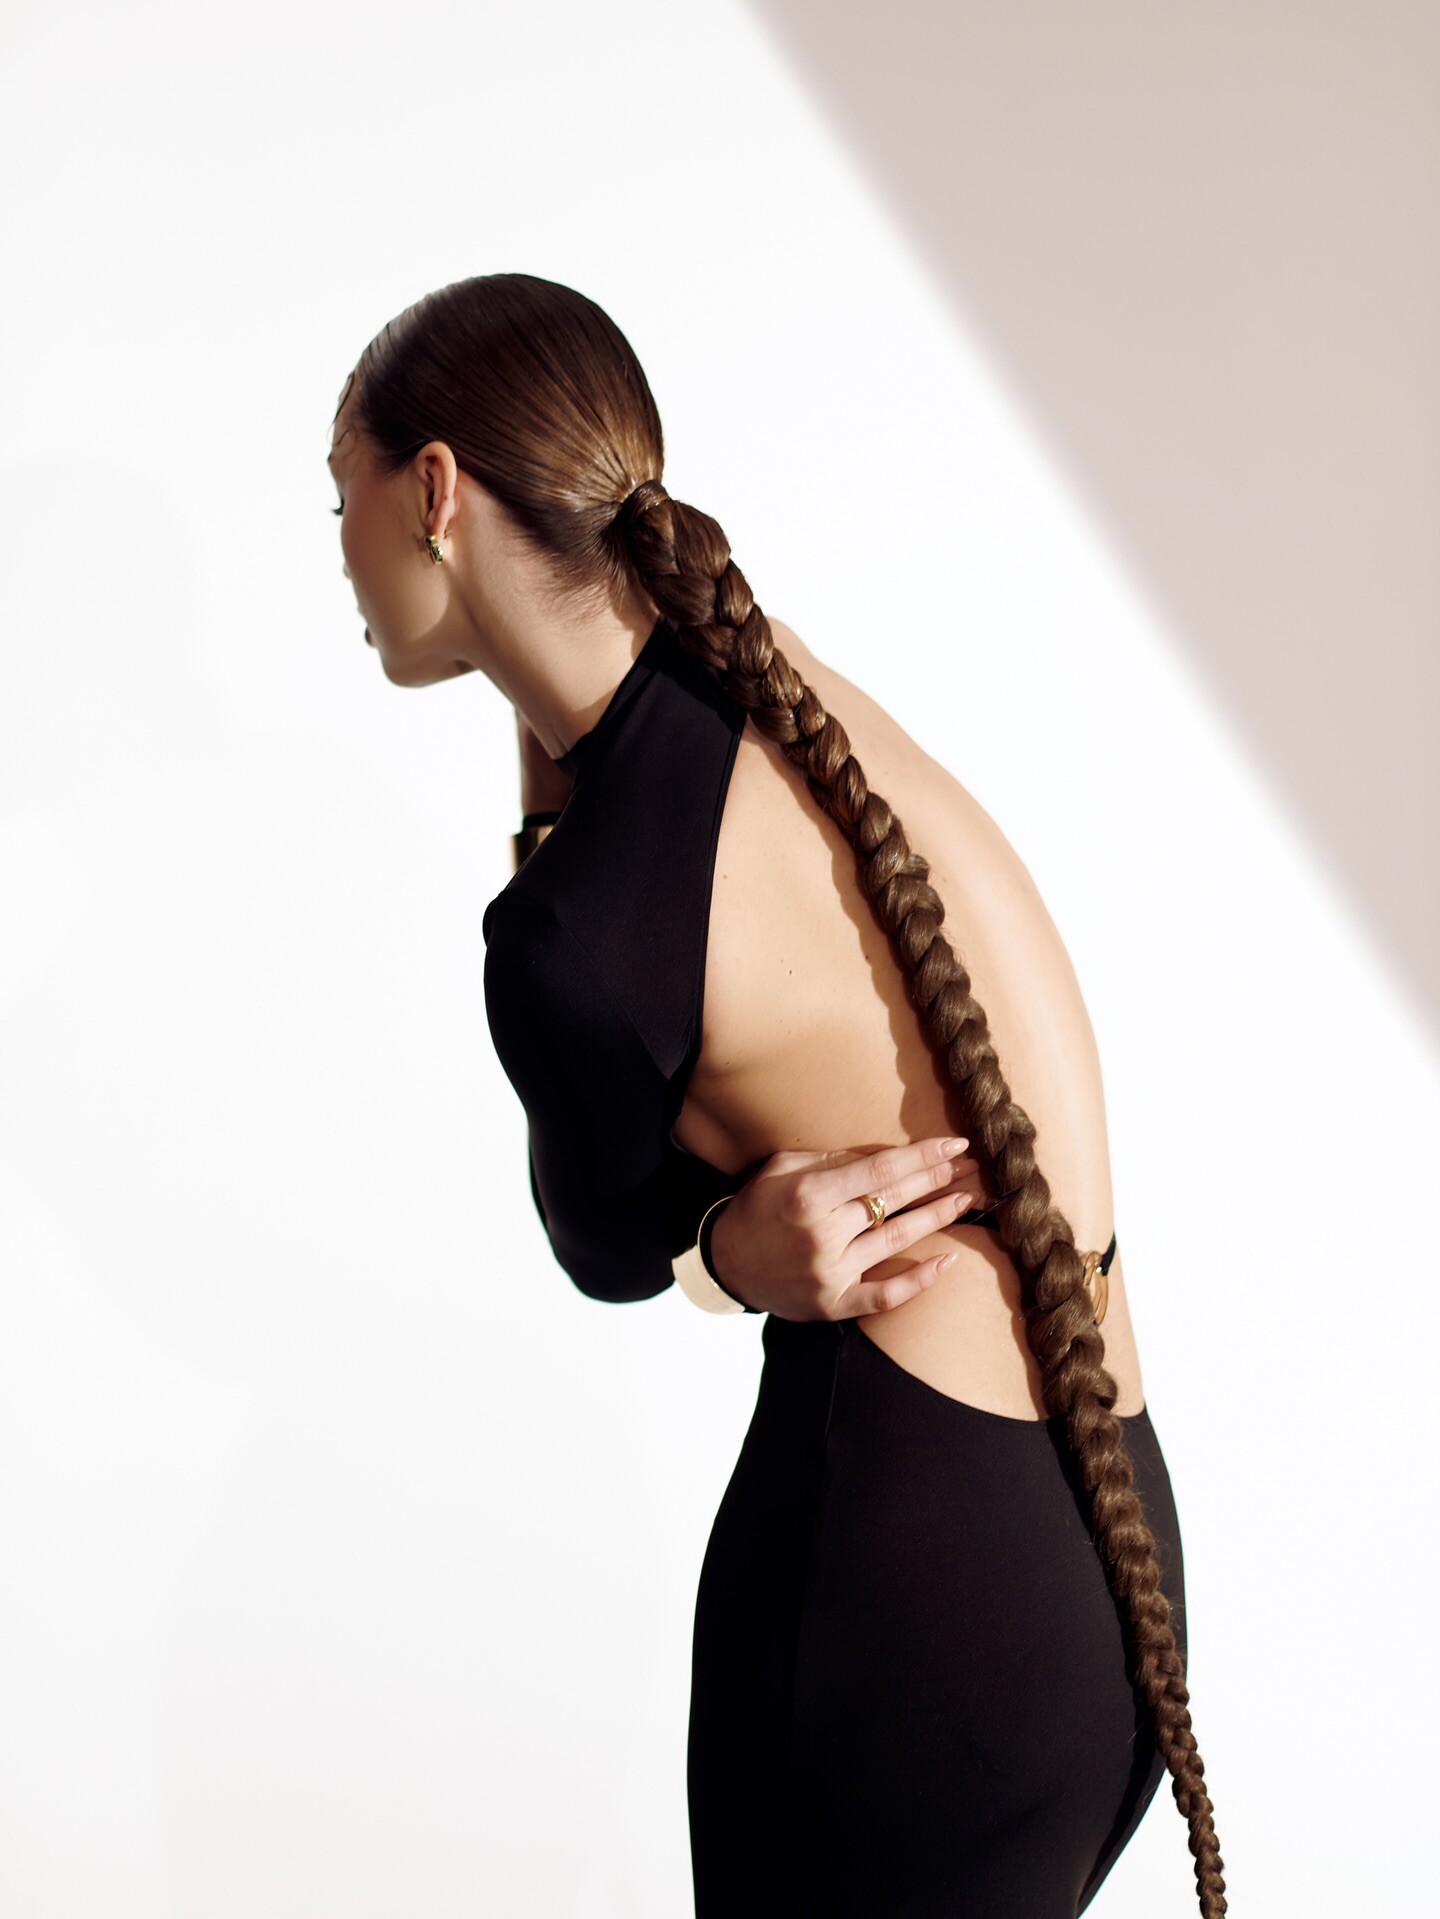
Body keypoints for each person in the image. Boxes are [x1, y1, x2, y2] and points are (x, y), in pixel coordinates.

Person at [326, 272, 1227, 1918]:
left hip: (901, 1588)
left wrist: (723, 1252)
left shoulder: (576, 929)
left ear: (435, 491)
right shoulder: (769, 679)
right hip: (1104, 1561)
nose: (337, 547)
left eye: (343, 496)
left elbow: (602, 1238)